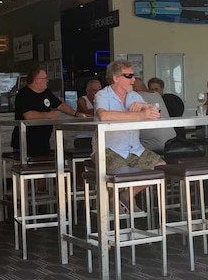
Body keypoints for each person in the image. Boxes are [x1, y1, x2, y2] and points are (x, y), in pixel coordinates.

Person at [94, 60, 165, 211]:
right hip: (107, 149)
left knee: (161, 169)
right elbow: (103, 116)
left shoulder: (135, 96)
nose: (133, 80)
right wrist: (139, 115)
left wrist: (146, 107)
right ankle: (111, 203)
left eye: (133, 76)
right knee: (122, 172)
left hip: (134, 148)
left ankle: (127, 195)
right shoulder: (103, 95)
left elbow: (155, 115)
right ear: (116, 78)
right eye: (129, 76)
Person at [11, 68, 84, 157]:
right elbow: (28, 115)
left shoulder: (46, 92)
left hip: (43, 142)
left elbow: (60, 105)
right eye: (45, 78)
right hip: (25, 142)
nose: (47, 80)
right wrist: (49, 115)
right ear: (37, 80)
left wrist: (75, 113)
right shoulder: (23, 94)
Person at [132, 77, 173, 154]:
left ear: (134, 87)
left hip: (153, 145)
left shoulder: (135, 97)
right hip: (172, 141)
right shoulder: (157, 94)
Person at [73, 78, 101, 149]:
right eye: (94, 90)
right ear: (87, 91)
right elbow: (85, 111)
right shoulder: (82, 100)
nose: (97, 93)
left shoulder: (103, 101)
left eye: (99, 90)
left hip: (99, 136)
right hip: (84, 137)